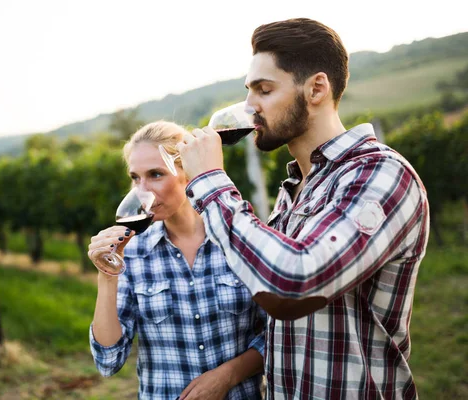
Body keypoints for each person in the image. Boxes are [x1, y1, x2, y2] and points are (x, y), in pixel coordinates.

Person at [176, 18, 429, 399]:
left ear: (316, 89)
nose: (249, 106)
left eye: (264, 90)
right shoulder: (295, 189)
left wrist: (210, 181)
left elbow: (294, 284)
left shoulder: (380, 174)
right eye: (249, 91)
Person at [88, 121, 267, 400]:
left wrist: (228, 375)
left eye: (156, 174)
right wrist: (107, 277)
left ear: (189, 173)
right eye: (135, 178)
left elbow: (277, 335)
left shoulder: (240, 239)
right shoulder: (132, 253)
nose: (142, 191)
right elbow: (108, 362)